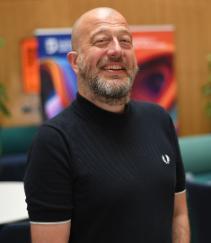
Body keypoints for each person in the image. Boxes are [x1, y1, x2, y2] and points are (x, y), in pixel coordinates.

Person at [24, 7, 190, 243]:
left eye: (125, 41)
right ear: (74, 62)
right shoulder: (54, 142)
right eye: (101, 41)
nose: (116, 50)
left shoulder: (160, 119)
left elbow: (179, 213)